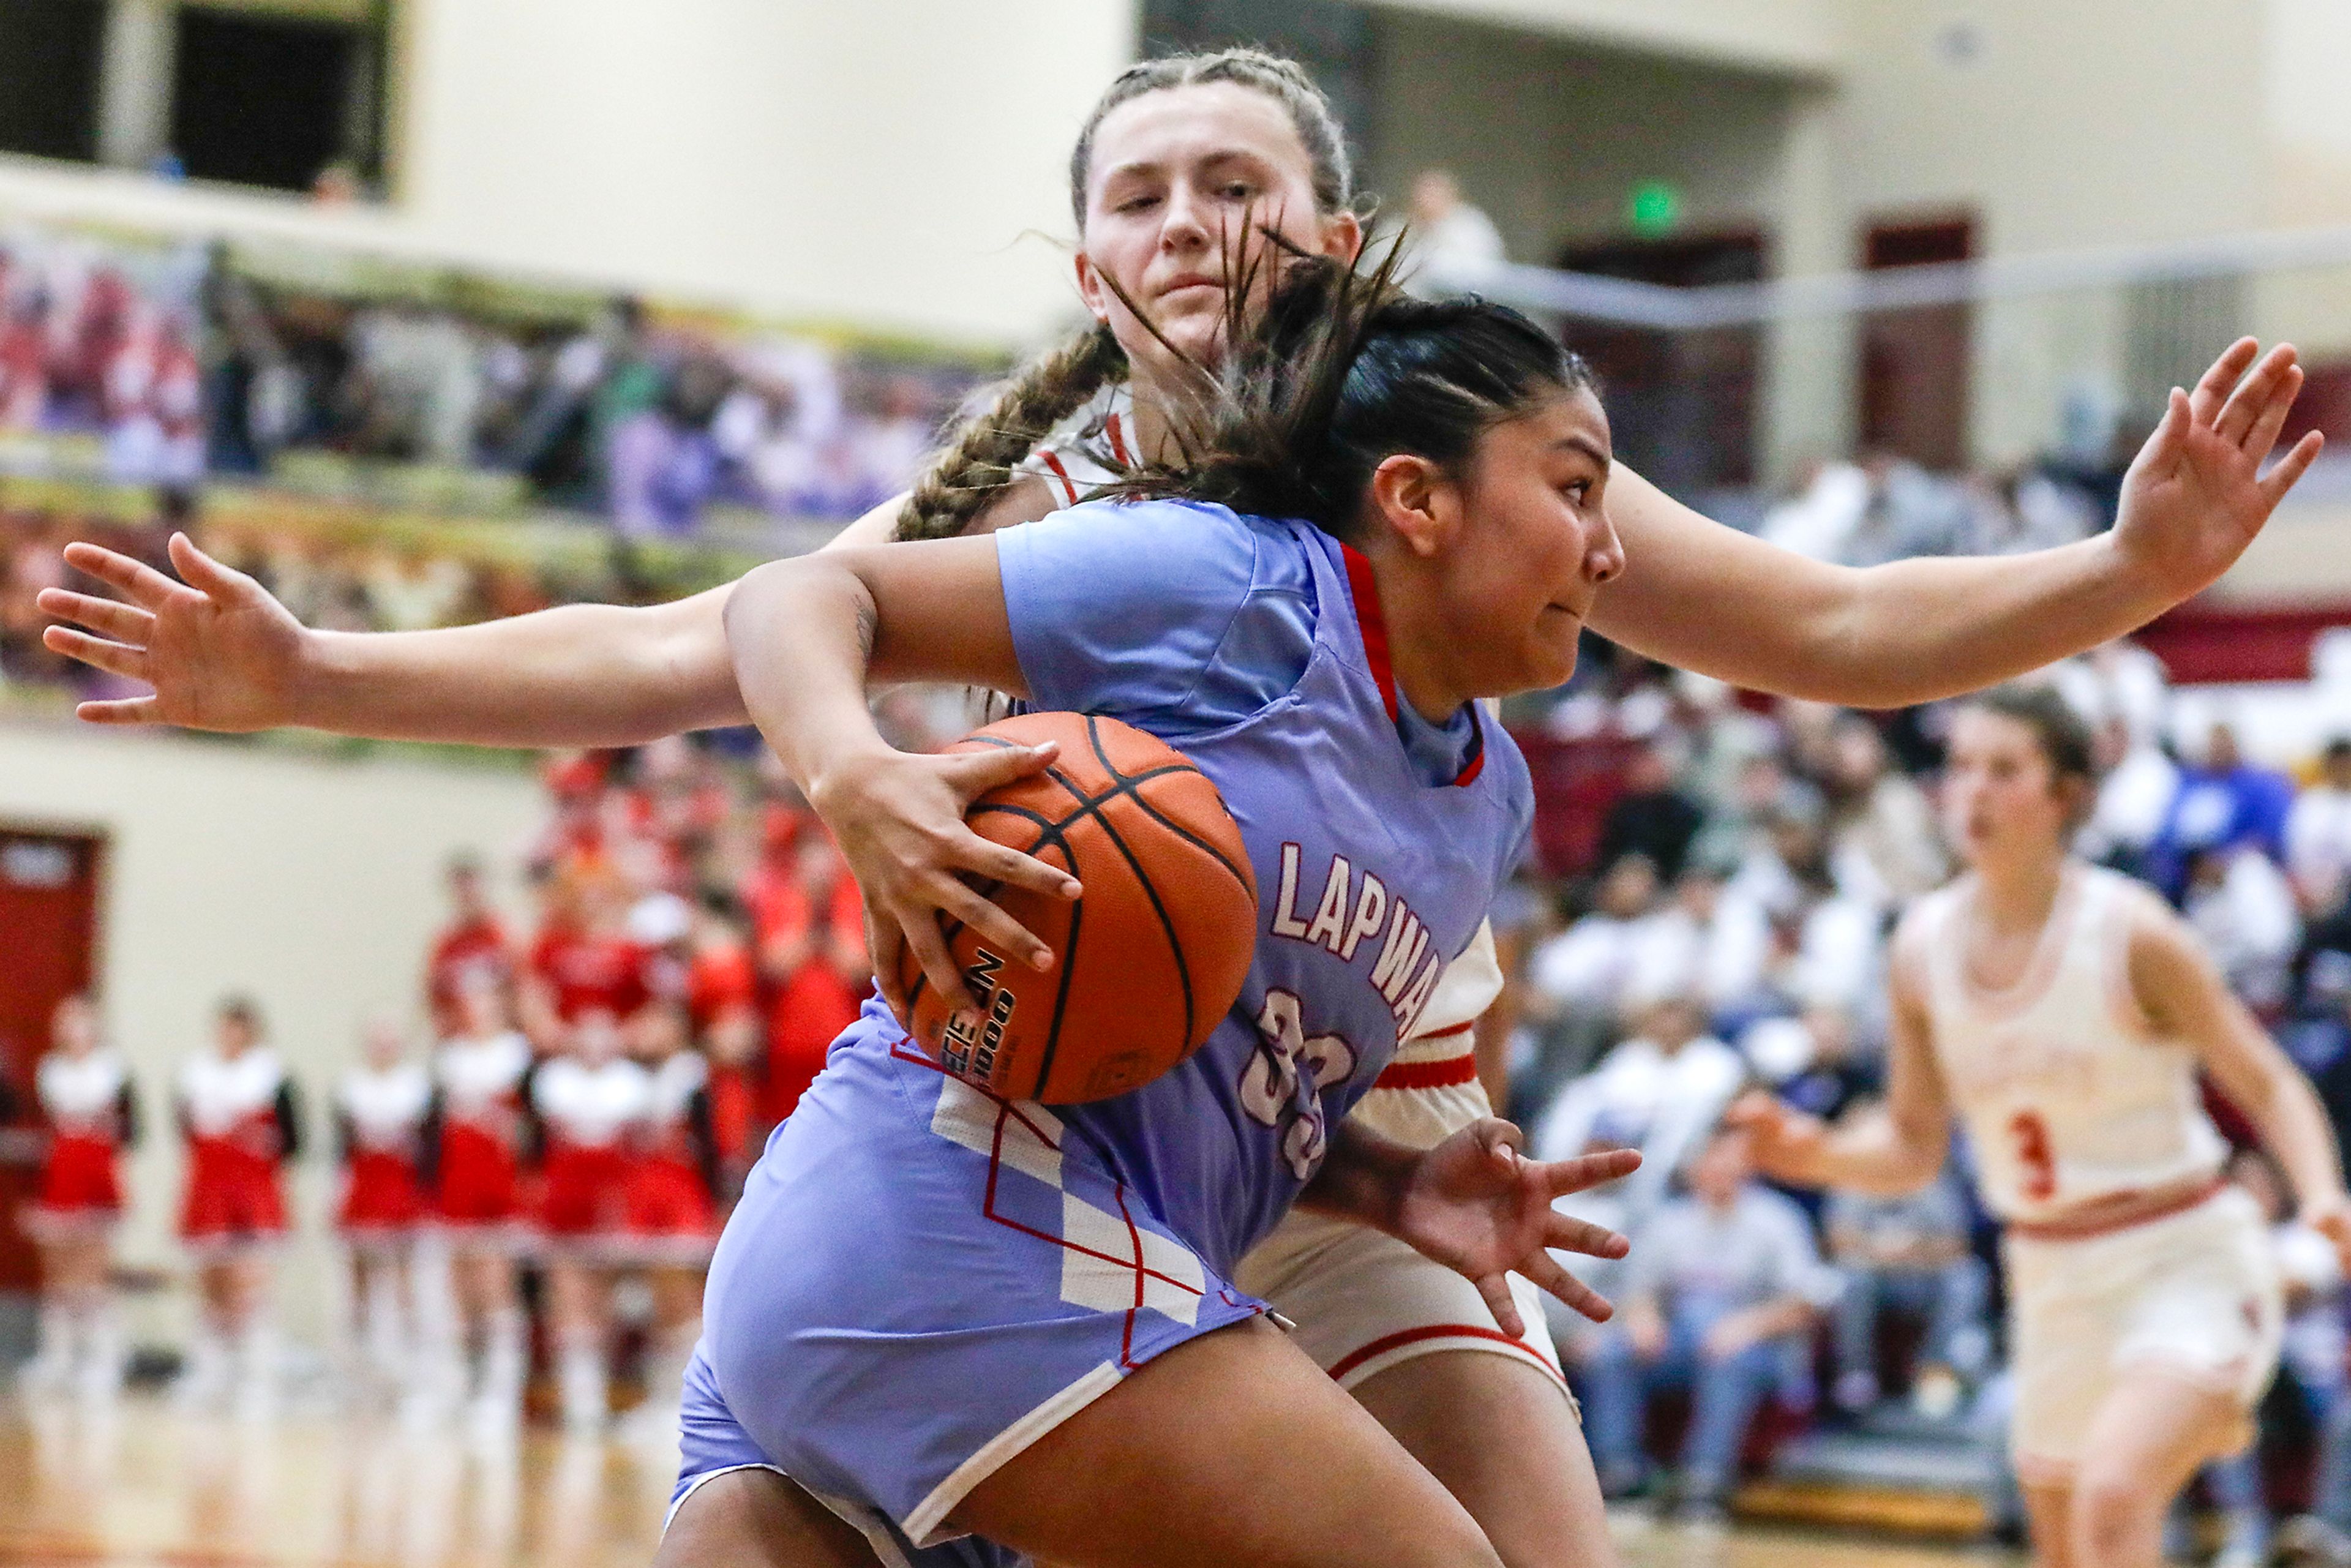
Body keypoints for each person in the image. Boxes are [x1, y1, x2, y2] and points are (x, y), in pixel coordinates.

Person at [31, 42, 2323, 1566]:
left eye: (1238, 179)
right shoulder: (1098, 541)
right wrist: (321, 665)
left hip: (1349, 1156)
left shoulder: (1475, 495)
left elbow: (1827, 627)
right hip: (1077, 1125)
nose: (1190, 217)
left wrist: (2129, 572)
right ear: (1090, 257)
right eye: (1141, 190)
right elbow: (692, 641)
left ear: (1335, 238)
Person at [694, 256, 1640, 1567]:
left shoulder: (1487, 804)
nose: (1614, 549)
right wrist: (852, 770)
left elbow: (1220, 1075)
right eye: (1576, 486)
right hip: (949, 1208)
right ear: (1416, 497)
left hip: (992, 1272)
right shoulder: (1239, 590)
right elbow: (797, 594)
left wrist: (1389, 1179)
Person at [1734, 685, 2351, 1568]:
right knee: (2065, 1549)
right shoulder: (1920, 946)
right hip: (2050, 1277)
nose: (1971, 793)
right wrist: (1817, 1154)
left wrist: (2323, 1195)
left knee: (2113, 1494)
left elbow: (2268, 1078)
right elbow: (1912, 1148)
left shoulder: (2132, 930)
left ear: (2066, 795)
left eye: (2004, 770)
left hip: (2184, 1256)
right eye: (1959, 768)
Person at [1578, 1121, 1834, 1520]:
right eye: (1714, 1160)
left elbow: (1807, 1300)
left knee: (1731, 1358)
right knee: (1613, 1352)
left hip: (1757, 1345)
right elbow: (1639, 1289)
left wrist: (1746, 1325)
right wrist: (1644, 1319)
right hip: (1681, 1338)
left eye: (1733, 1162)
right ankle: (1621, 1471)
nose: (1722, 1169)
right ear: (1696, 1167)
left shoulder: (1778, 1220)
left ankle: (1705, 1479)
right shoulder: (1669, 1222)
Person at [175, 994, 301, 1417]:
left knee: (251, 1285)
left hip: (253, 1195)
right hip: (208, 1192)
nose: (229, 1037)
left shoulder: (273, 1078)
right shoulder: (195, 1075)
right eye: (223, 1028)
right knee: (211, 1286)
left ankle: (257, 1377)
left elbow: (293, 1141)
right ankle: (212, 1373)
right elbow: (184, 1130)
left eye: (238, 1029)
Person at [531, 1005, 650, 1433]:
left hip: (615, 1198)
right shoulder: (553, 1082)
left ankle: (607, 1389)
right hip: (566, 1200)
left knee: (608, 1300)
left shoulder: (631, 1085)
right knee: (569, 1294)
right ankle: (580, 1398)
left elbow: (639, 1151)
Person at [427, 977, 535, 1436]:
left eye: (489, 1003)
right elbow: (432, 1133)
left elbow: (535, 1130)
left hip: (502, 1189)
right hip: (458, 1188)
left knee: (496, 1289)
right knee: (461, 1291)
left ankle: (501, 1391)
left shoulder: (519, 1059)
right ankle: (458, 1386)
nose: (478, 1012)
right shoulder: (448, 1059)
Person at [18, 994, 138, 1400]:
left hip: (96, 1173)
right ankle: (60, 1356)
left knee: (93, 1268)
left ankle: (101, 1357)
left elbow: (131, 1130)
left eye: (80, 1022)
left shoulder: (113, 1074)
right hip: (61, 1174)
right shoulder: (49, 1071)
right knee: (58, 1270)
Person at [332, 1016, 433, 1398]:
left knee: (405, 1277)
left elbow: (430, 1149)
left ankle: (411, 1367)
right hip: (363, 1188)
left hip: (403, 1189)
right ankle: (359, 1366)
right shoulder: (350, 1088)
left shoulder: (418, 1089)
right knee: (358, 1278)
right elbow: (342, 1149)